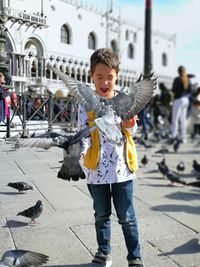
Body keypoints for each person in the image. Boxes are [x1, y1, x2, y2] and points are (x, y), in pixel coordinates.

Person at [78, 48, 143, 267]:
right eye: (99, 77)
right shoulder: (86, 103)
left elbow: (132, 132)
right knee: (101, 214)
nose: (105, 82)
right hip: (95, 170)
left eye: (110, 77)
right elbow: (83, 132)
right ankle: (104, 252)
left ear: (117, 76)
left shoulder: (124, 101)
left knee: (126, 216)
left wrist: (130, 125)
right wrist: (82, 149)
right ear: (91, 76)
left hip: (122, 169)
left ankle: (134, 256)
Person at [170, 65, 191, 143]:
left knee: (175, 119)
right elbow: (190, 91)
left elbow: (173, 90)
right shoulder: (188, 79)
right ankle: (183, 137)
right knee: (183, 119)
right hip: (186, 100)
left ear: (178, 71)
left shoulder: (177, 79)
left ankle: (174, 136)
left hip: (178, 100)